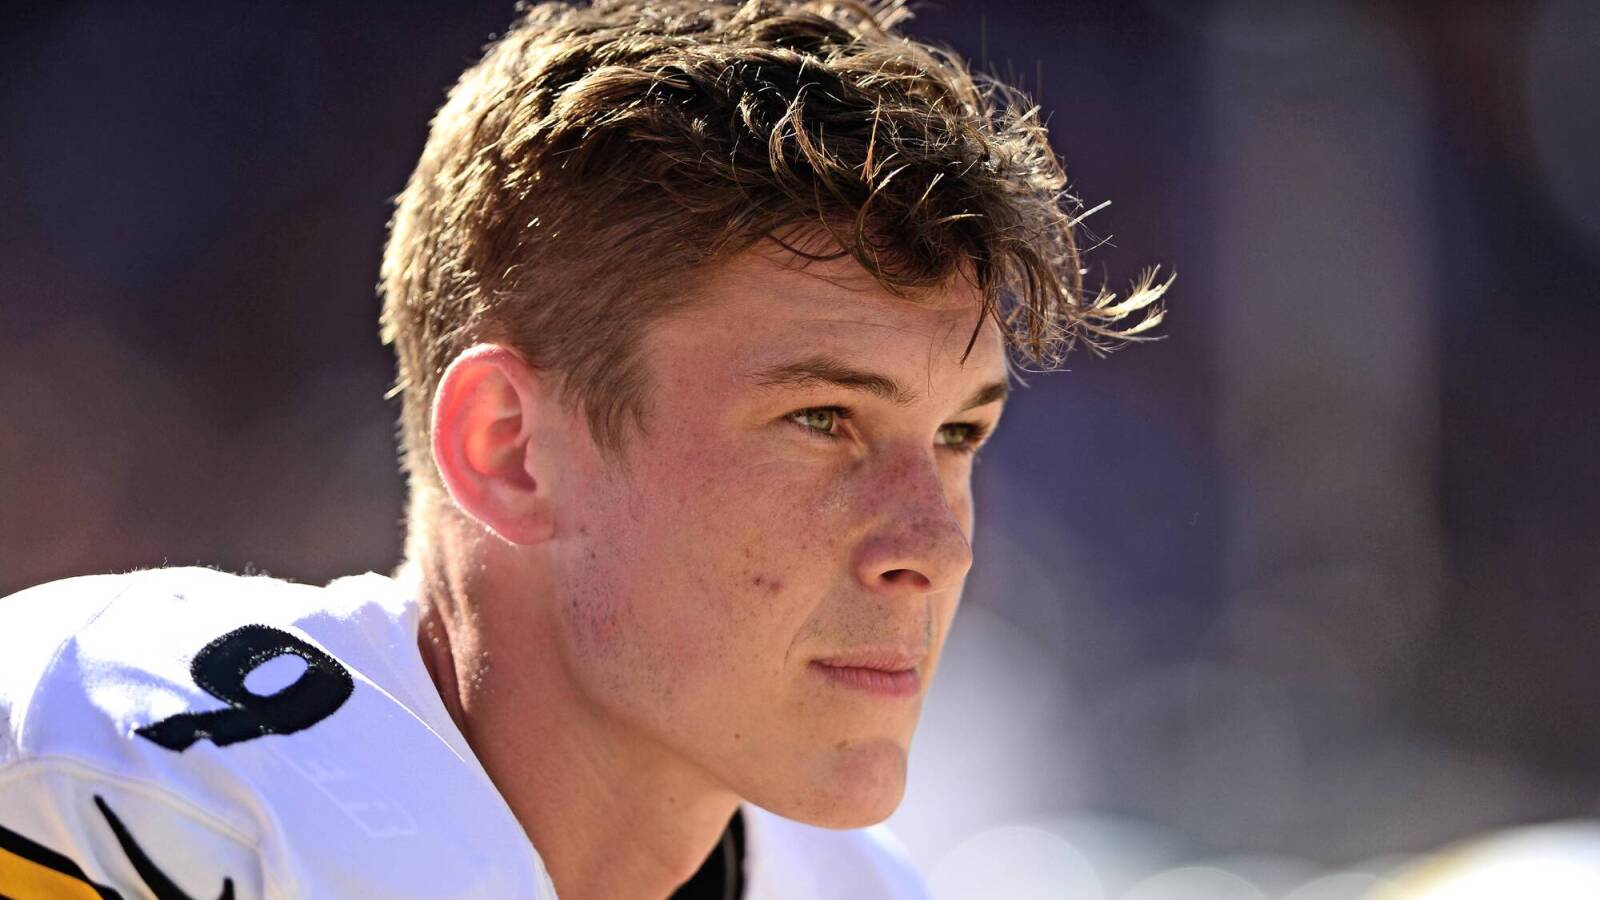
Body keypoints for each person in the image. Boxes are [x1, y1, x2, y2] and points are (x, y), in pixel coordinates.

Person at [0, 1, 1166, 897]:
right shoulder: (125, 784)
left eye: (960, 433)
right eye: (822, 420)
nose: (936, 546)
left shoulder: (855, 881)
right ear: (508, 449)